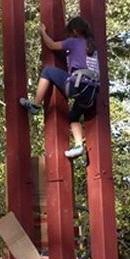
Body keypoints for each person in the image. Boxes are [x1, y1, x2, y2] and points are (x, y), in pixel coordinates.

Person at [20, 16, 100, 159]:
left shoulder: (73, 42)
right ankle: (78, 146)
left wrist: (43, 32)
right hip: (91, 93)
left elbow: (51, 45)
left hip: (78, 85)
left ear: (74, 30)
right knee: (73, 117)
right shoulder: (92, 46)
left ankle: (36, 105)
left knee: (48, 71)